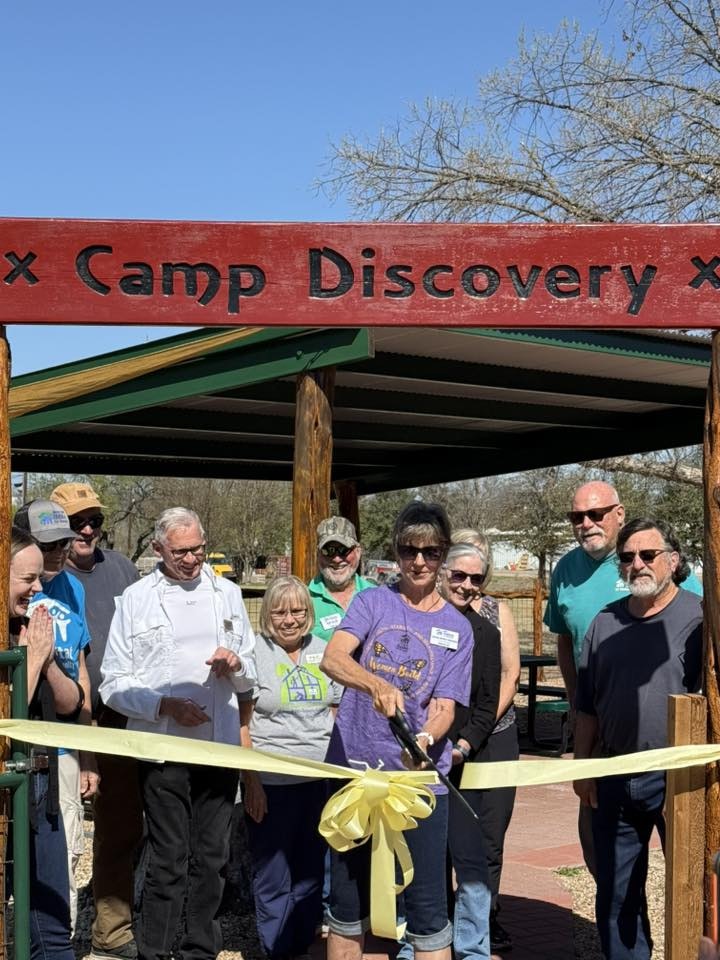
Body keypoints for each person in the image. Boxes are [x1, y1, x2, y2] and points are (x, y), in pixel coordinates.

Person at [99, 507, 257, 960]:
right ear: (158, 550)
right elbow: (113, 682)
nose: (192, 560)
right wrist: (162, 706)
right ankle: (156, 949)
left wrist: (236, 665)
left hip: (218, 747)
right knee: (168, 856)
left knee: (212, 856)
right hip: (161, 748)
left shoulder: (227, 593)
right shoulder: (135, 599)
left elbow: (252, 678)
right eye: (181, 552)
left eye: (198, 549)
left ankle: (200, 948)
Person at [321, 501, 473, 960]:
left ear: (444, 553)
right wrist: (374, 683)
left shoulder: (458, 628)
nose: (420, 562)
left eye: (431, 551)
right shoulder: (372, 601)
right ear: (396, 551)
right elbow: (334, 658)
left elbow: (445, 706)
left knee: (428, 912)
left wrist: (425, 740)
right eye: (409, 550)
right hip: (356, 774)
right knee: (346, 905)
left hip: (418, 782)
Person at [545, 480, 702, 876]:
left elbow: (691, 623)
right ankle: (615, 937)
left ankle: (693, 940)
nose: (586, 523)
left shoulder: (661, 569)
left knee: (688, 870)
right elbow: (565, 638)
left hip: (672, 752)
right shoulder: (565, 570)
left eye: (595, 514)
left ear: (619, 513)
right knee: (605, 863)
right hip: (603, 736)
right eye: (577, 516)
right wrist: (578, 698)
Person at [573, 518, 703, 960]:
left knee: (696, 890)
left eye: (648, 555)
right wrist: (583, 768)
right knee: (616, 894)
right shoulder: (603, 623)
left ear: (673, 559)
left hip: (684, 779)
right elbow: (587, 705)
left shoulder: (700, 619)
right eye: (627, 557)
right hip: (614, 773)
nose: (637, 565)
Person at [49, 481, 142, 960]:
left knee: (125, 823)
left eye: (94, 521)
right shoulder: (47, 576)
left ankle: (113, 929)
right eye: (77, 522)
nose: (87, 530)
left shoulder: (123, 568)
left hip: (130, 712)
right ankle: (58, 930)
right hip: (70, 717)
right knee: (80, 827)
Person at [240, 575, 343, 960]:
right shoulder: (255, 653)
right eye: (280, 611)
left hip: (318, 779)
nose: (289, 619)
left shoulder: (325, 649)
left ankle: (301, 945)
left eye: (298, 610)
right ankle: (277, 948)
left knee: (311, 871)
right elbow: (243, 723)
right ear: (267, 614)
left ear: (309, 613)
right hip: (272, 782)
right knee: (273, 873)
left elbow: (336, 710)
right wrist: (251, 782)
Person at [14, 498, 98, 935]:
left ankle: (55, 937)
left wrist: (89, 754)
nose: (59, 552)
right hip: (19, 743)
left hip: (63, 744)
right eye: (48, 546)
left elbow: (79, 675)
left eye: (63, 542)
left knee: (63, 860)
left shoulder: (73, 588)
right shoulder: (17, 593)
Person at [450, 530, 519, 956]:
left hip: (493, 736)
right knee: (442, 834)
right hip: (450, 738)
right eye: (460, 570)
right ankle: (438, 919)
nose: (468, 582)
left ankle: (484, 918)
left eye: (478, 570)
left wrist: (476, 731)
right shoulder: (437, 612)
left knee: (489, 835)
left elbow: (508, 677)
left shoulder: (496, 612)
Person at [439, 543, 502, 960]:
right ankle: (420, 941)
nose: (466, 585)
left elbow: (486, 704)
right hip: (415, 758)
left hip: (463, 760)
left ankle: (473, 948)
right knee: (422, 856)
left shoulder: (487, 633)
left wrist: (463, 747)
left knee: (471, 857)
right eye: (458, 576)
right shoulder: (411, 619)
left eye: (475, 579)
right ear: (443, 573)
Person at [308, 516, 374, 643]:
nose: (337, 559)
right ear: (318, 554)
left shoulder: (377, 596)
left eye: (344, 550)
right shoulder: (303, 599)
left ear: (358, 551)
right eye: (328, 551)